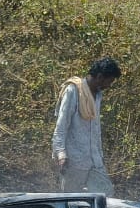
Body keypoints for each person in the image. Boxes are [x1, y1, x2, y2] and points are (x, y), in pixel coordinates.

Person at [52, 57, 122, 193]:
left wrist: (100, 155)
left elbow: (95, 129)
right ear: (100, 77)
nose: (109, 86)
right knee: (71, 202)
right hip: (74, 160)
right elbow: (61, 126)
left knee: (105, 194)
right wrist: (61, 154)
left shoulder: (98, 95)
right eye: (110, 82)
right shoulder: (73, 91)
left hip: (94, 160)